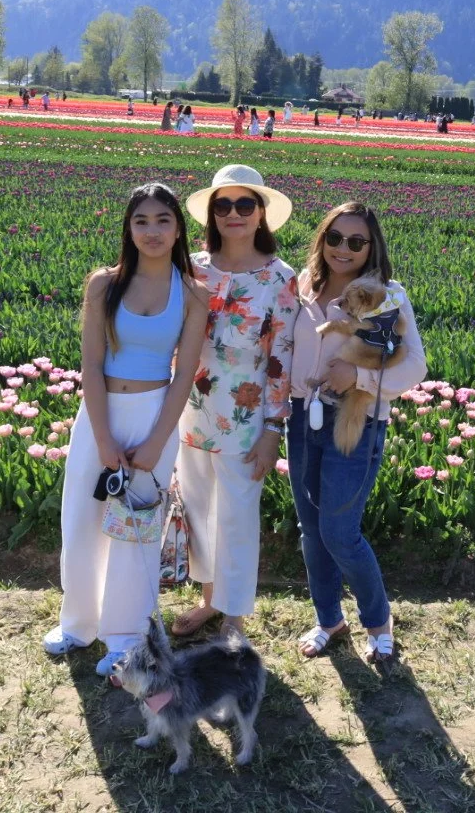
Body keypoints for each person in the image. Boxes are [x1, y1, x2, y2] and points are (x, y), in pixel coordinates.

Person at [42, 184, 210, 676]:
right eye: (141, 221)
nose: (152, 231)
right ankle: (77, 624)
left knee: (136, 528)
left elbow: (185, 375)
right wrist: (103, 437)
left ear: (178, 228)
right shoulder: (103, 285)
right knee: (81, 518)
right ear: (128, 228)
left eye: (162, 220)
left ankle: (128, 635)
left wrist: (157, 439)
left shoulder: (193, 293)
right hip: (99, 413)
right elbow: (90, 366)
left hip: (155, 412)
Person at [288, 202, 427, 667]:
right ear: (321, 239)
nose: (342, 249)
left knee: (339, 532)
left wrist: (360, 379)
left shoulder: (387, 296)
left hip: (357, 420)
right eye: (334, 238)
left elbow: (414, 366)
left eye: (356, 241)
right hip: (301, 416)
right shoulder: (304, 287)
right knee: (312, 530)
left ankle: (378, 621)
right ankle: (329, 619)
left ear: (372, 248)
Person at [172, 165, 298, 638]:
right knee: (199, 509)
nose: (234, 214)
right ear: (212, 215)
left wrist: (272, 431)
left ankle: (235, 616)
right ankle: (209, 600)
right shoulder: (193, 269)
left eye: (245, 204)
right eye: (222, 205)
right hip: (190, 412)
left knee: (239, 517)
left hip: (245, 419)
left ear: (262, 213)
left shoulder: (278, 277)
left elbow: (280, 358)